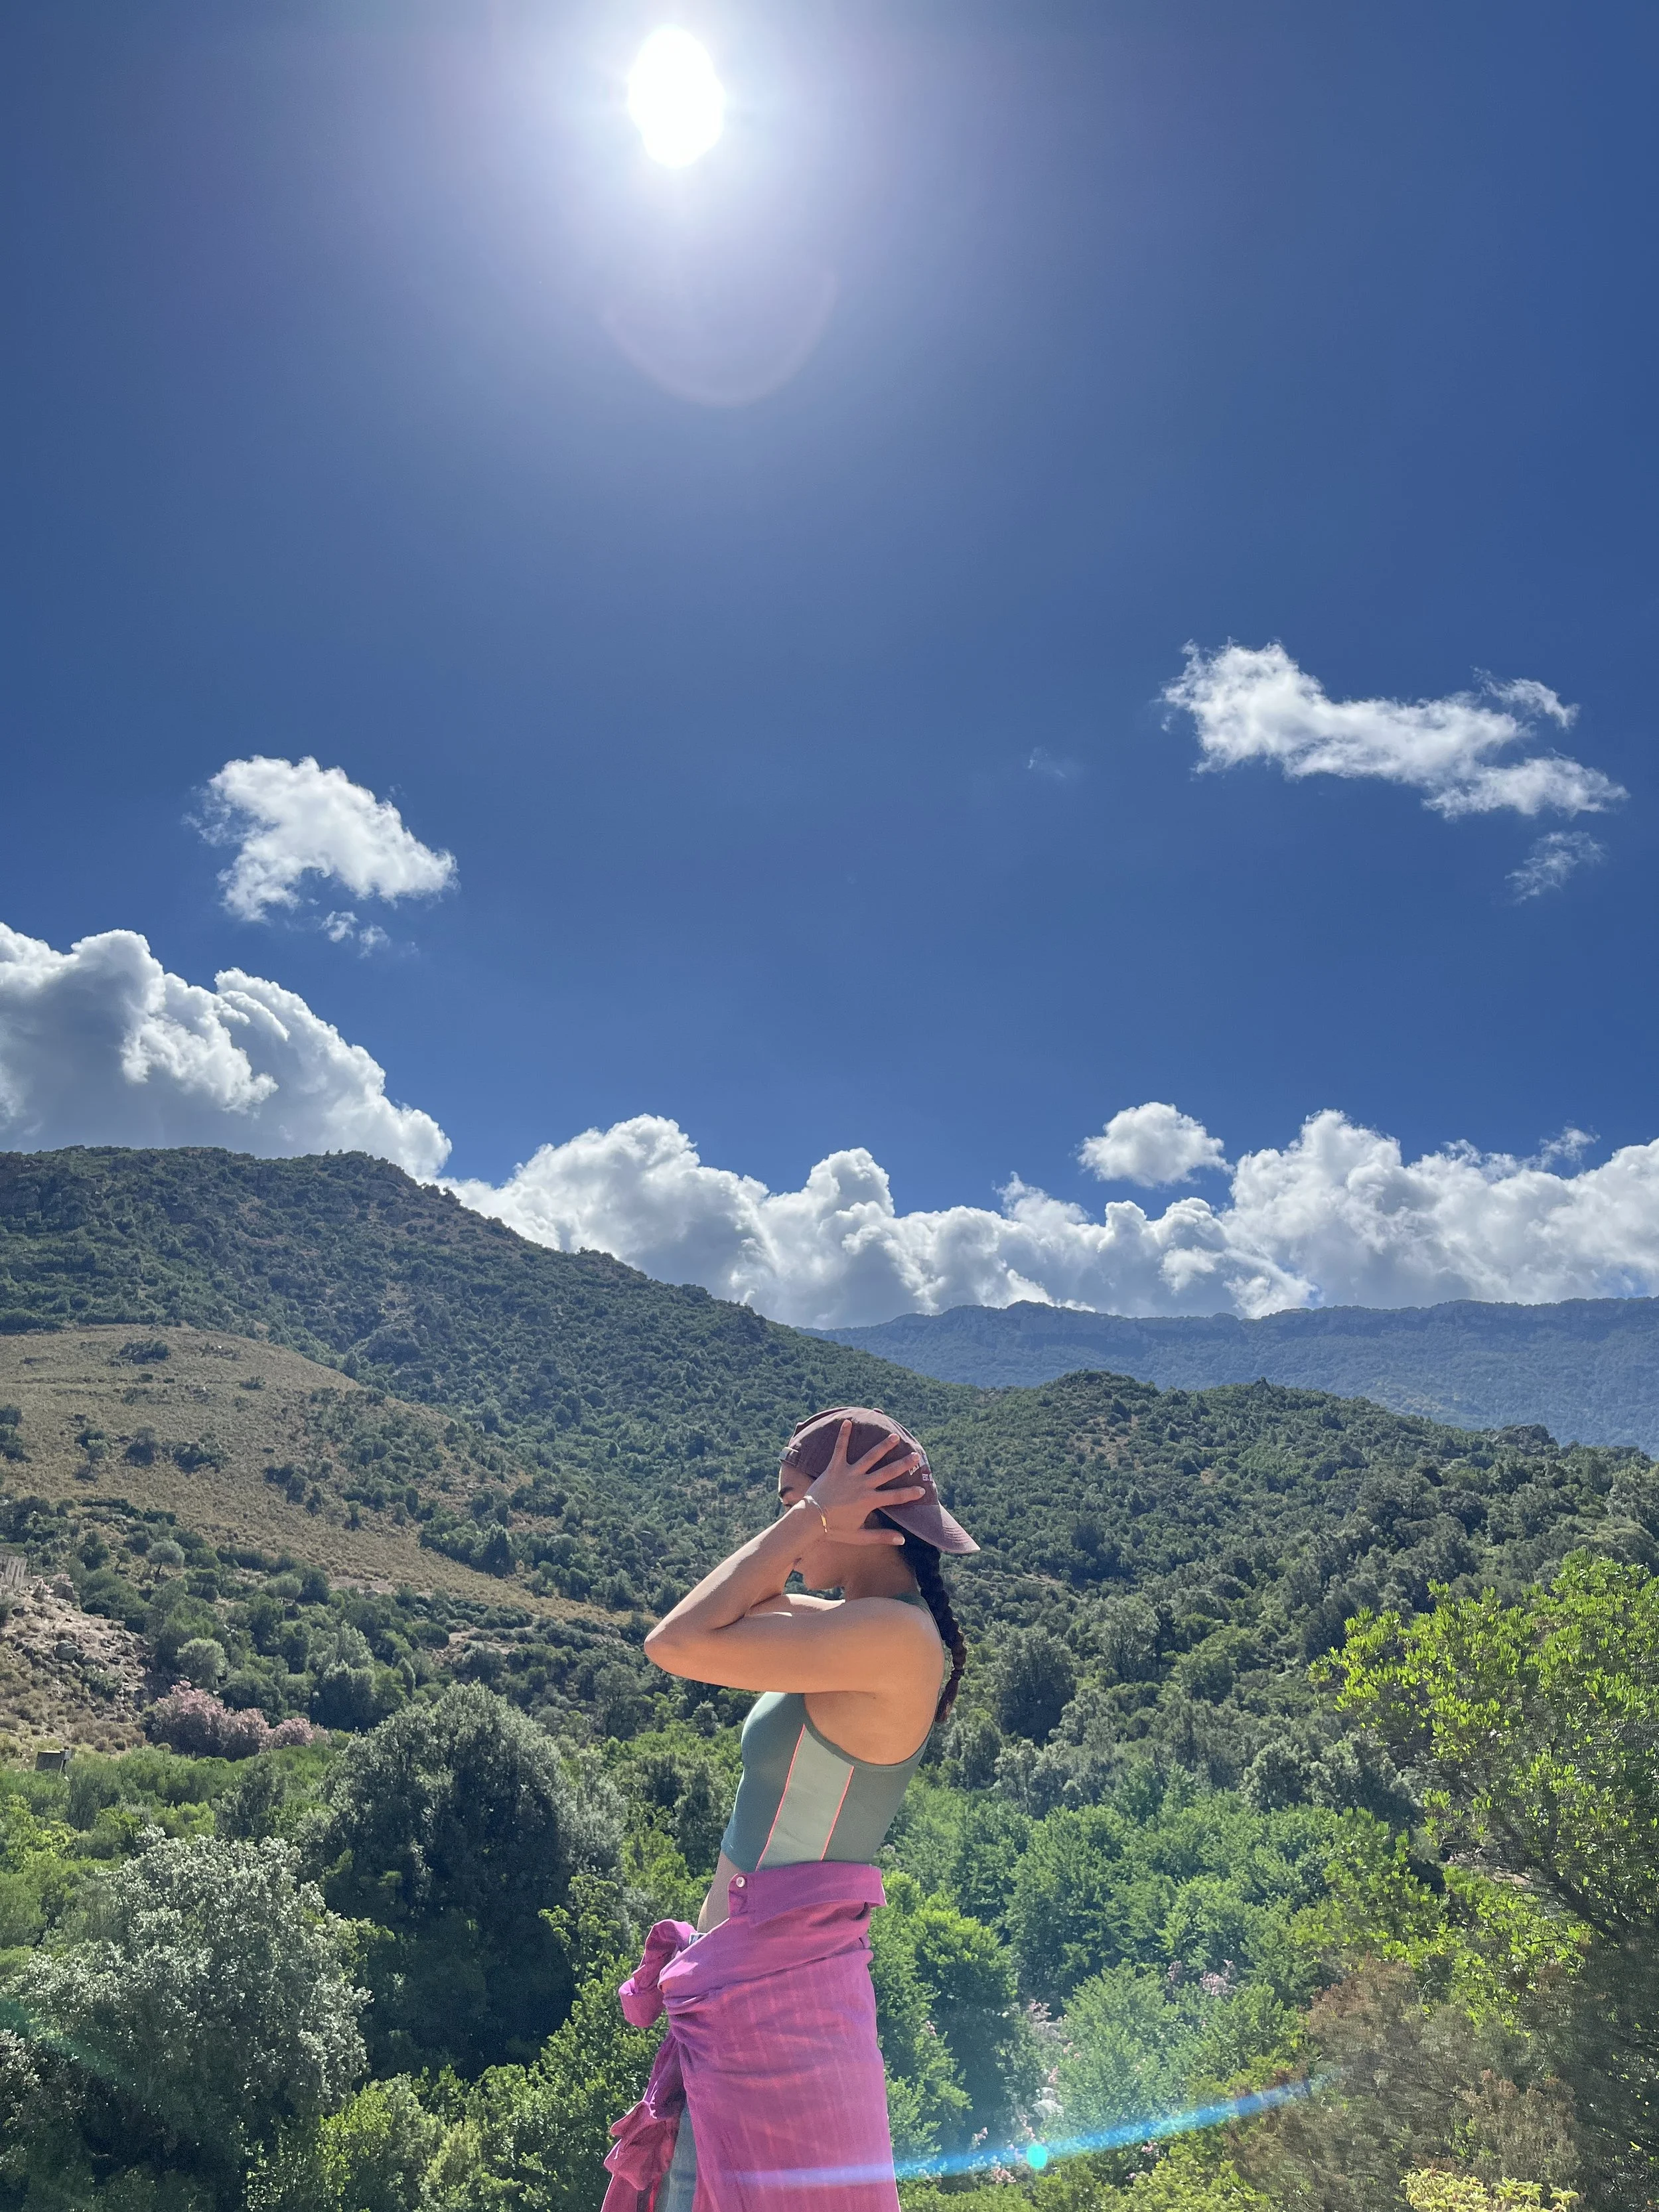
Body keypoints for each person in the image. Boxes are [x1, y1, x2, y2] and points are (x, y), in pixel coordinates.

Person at [601, 1406, 977, 2212]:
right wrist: (814, 1514)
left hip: (772, 2008)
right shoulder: (852, 1625)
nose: (785, 1524)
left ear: (863, 1518)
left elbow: (673, 1643)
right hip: (748, 1991)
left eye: (790, 1503)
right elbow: (722, 1616)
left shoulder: (895, 1642)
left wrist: (811, 1517)